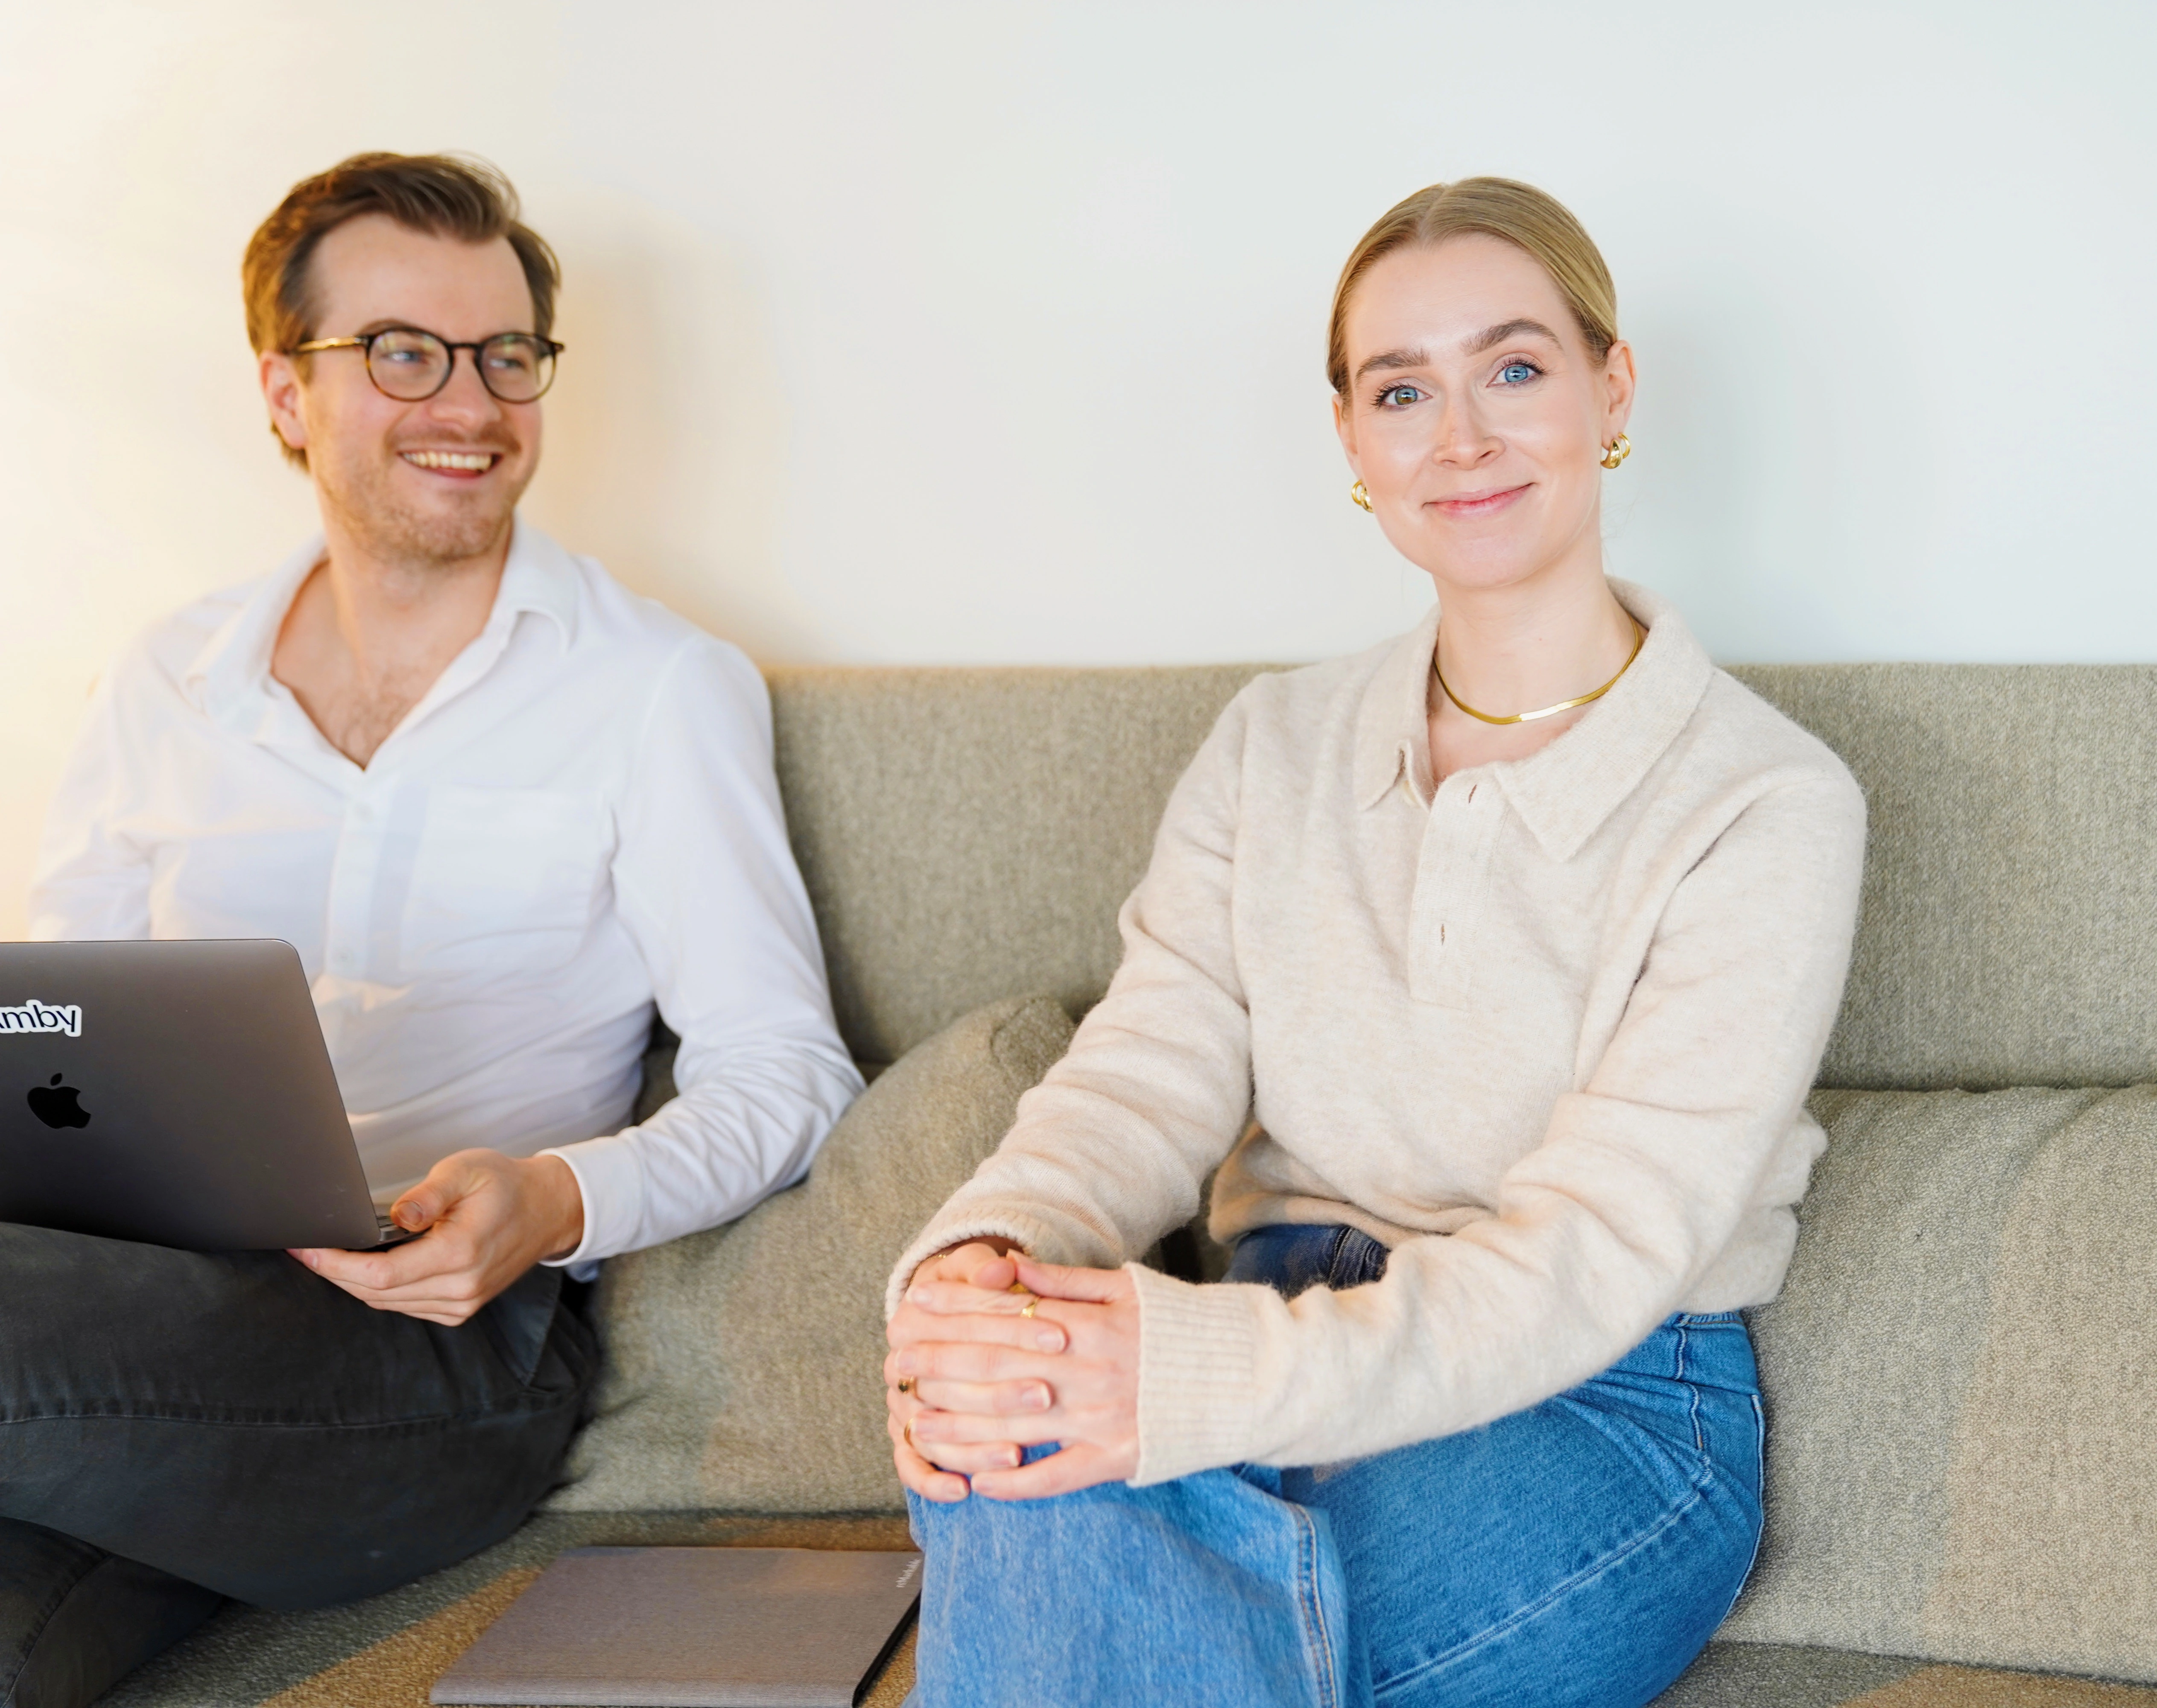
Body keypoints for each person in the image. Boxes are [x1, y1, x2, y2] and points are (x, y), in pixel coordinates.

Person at [882, 178, 1867, 1708]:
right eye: (1401, 390)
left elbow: (1593, 1256)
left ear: (1611, 387)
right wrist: (984, 1267)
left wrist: (1186, 1380)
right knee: (997, 1427)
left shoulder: (1766, 805)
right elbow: (1142, 1069)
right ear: (1350, 440)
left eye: (1516, 368)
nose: (1459, 436)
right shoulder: (1271, 740)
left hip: (1591, 1403)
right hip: (1253, 1322)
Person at [3, 153, 861, 1707]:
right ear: (285, 393)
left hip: (444, 1362)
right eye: (402, 351)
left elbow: (787, 1076)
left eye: (507, 356)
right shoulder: (165, 679)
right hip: (141, 1329)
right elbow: (46, 1034)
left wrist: (550, 1200)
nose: (468, 403)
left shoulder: (657, 689)